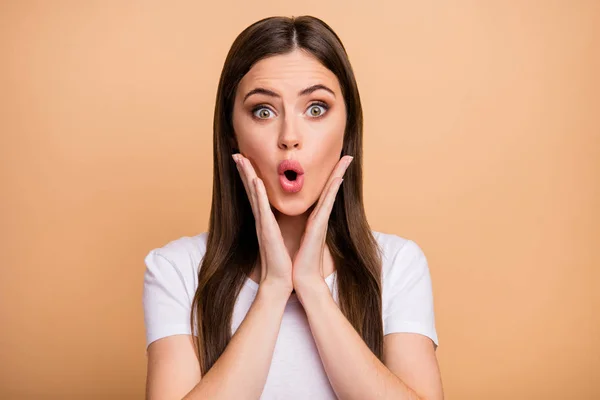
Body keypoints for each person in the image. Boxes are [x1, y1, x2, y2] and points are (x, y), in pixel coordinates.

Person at [142, 15, 443, 399]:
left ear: (348, 127)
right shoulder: (176, 270)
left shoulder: (398, 265)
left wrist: (314, 289)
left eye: (316, 108)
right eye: (263, 111)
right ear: (231, 131)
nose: (289, 138)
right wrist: (272, 288)